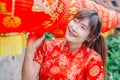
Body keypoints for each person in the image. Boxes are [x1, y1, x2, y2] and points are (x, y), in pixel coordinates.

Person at [22, 9, 107, 80]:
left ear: (90, 37)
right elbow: (27, 78)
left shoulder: (92, 59)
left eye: (82, 27)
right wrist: (29, 49)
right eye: (75, 21)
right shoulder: (48, 46)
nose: (74, 28)